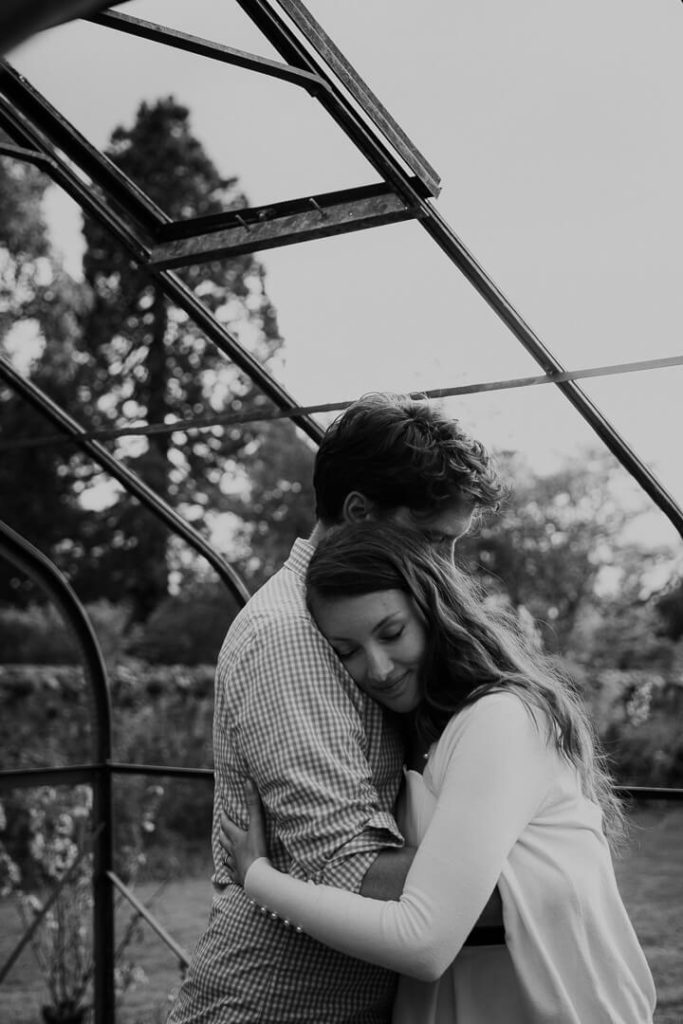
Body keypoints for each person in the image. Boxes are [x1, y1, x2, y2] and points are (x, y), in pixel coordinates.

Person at [220, 521, 657, 1024]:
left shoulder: (500, 718)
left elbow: (423, 942)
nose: (378, 668)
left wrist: (259, 878)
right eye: (347, 652)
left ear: (434, 610)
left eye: (391, 633)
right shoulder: (406, 732)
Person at [167, 393, 503, 1024]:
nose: (449, 569)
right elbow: (348, 867)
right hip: (274, 1009)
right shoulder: (289, 636)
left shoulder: (359, 625)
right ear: (359, 512)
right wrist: (549, 880)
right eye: (433, 538)